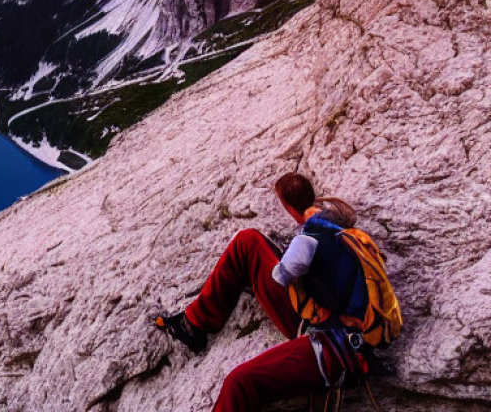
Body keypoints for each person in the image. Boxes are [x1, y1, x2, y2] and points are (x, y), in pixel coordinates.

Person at [155, 173, 369, 411]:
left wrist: (282, 264)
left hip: (333, 344)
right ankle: (192, 324)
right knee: (247, 241)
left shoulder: (309, 237)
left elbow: (280, 276)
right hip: (327, 319)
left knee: (239, 383)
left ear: (287, 205)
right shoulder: (333, 219)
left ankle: (195, 325)